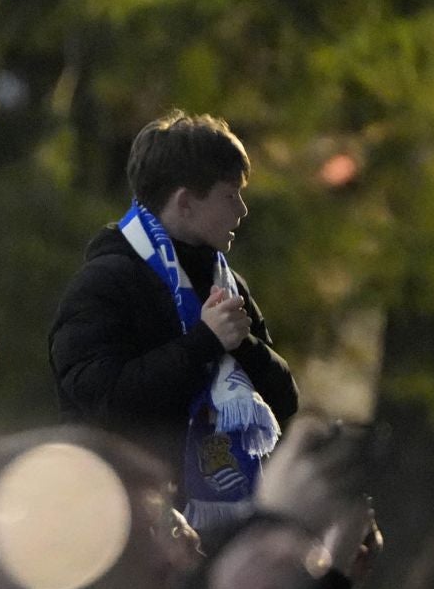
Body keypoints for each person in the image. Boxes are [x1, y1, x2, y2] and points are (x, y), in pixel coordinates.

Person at [49, 111, 298, 530]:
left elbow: (284, 400)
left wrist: (242, 344)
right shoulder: (104, 282)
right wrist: (204, 342)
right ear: (185, 202)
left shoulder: (227, 283)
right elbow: (104, 406)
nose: (242, 209)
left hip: (219, 531)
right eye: (229, 195)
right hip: (124, 523)